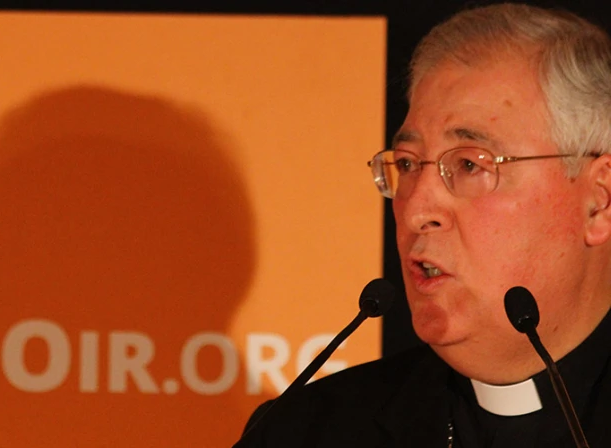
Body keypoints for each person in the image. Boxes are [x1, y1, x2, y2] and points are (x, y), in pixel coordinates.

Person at [236, 3, 611, 447]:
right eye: (409, 164)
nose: (416, 210)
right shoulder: (303, 431)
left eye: (470, 165)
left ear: (599, 203)